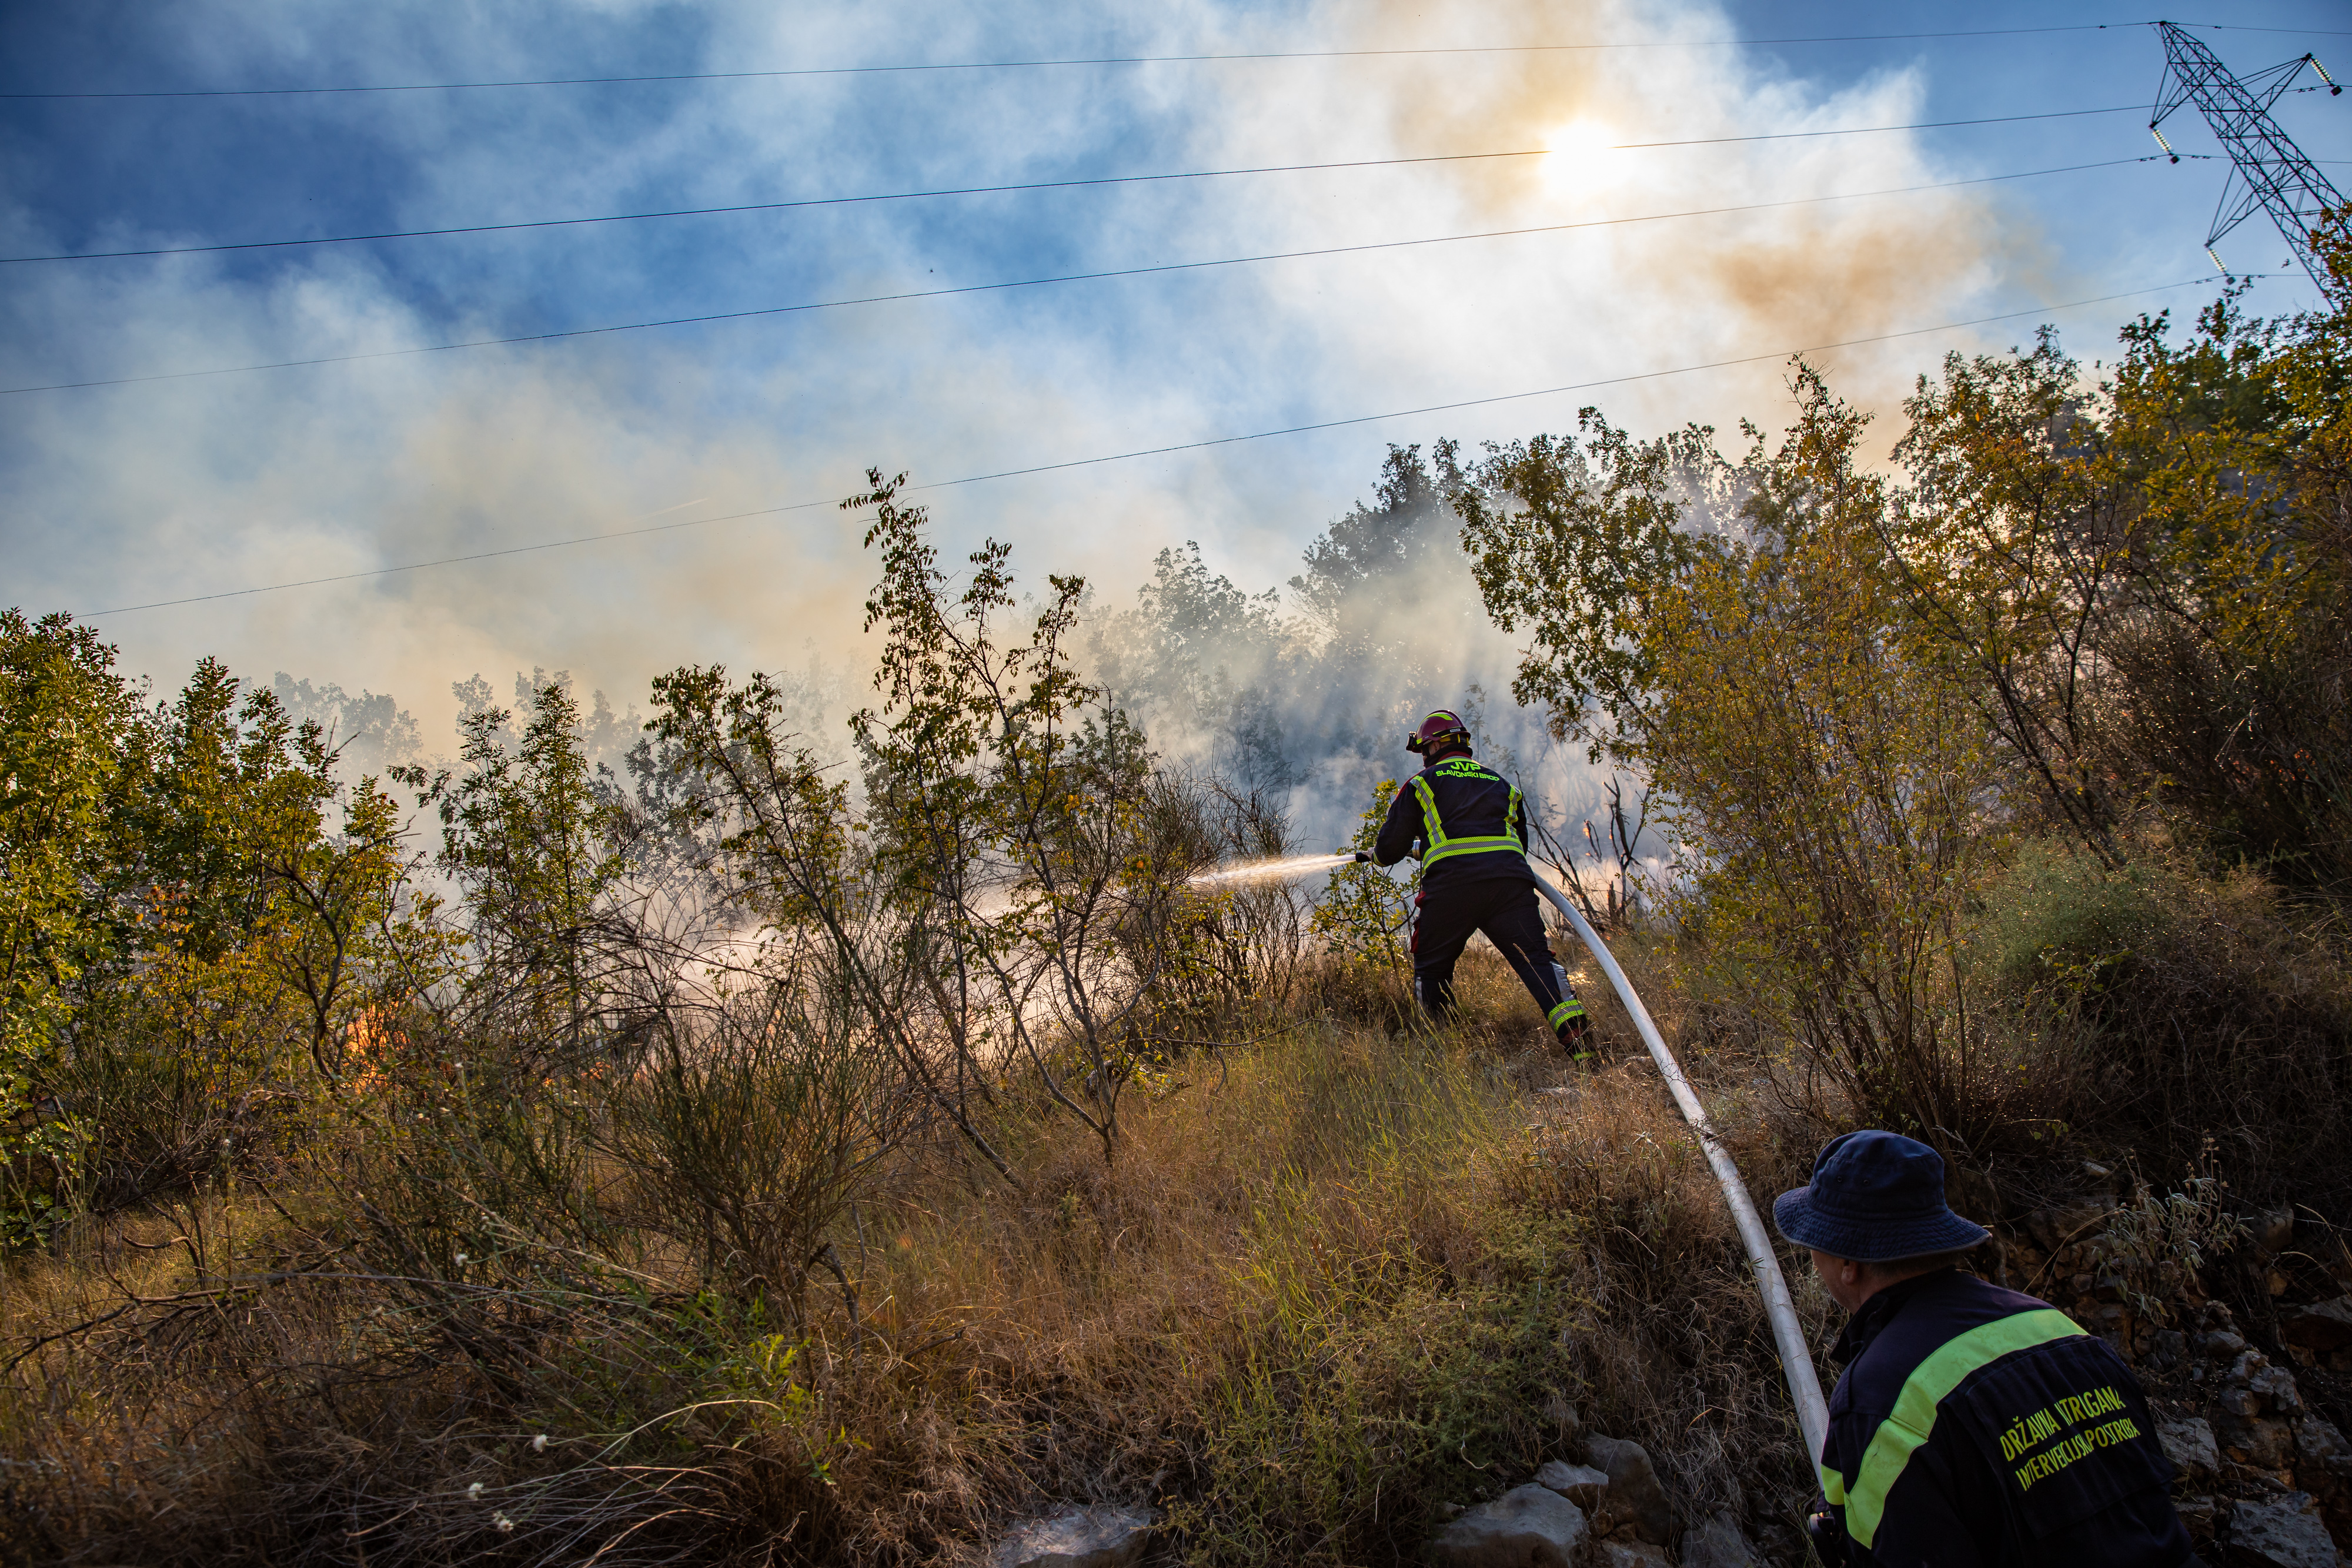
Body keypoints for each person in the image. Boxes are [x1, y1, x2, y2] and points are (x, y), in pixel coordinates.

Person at [1776, 1130, 2197, 1567]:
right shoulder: (2062, 1330)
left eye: (1814, 1246)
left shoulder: (1879, 1397)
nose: (1813, 1260)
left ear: (1848, 1264)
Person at [1365, 708, 1593, 1061]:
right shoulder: (1502, 785)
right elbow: (1518, 843)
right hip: (1509, 885)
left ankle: (1438, 1053)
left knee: (1431, 966)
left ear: (1437, 744)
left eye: (1424, 750)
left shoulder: (1421, 783)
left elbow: (1389, 849)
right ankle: (1584, 1050)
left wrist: (1378, 856)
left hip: (1451, 888)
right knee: (1538, 962)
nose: (1424, 758)